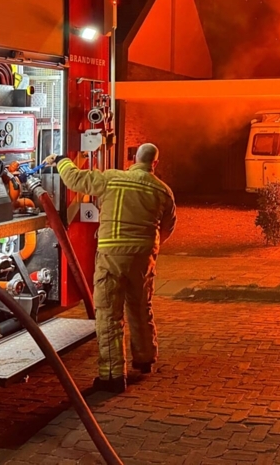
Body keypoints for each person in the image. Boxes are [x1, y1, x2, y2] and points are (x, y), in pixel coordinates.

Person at [45, 143, 176, 393]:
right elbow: (167, 228)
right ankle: (145, 359)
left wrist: (62, 160)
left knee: (108, 314)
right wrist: (147, 246)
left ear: (133, 160)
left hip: (112, 255)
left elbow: (76, 180)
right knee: (140, 305)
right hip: (143, 258)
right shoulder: (164, 191)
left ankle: (113, 375)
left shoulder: (113, 179)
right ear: (155, 164)